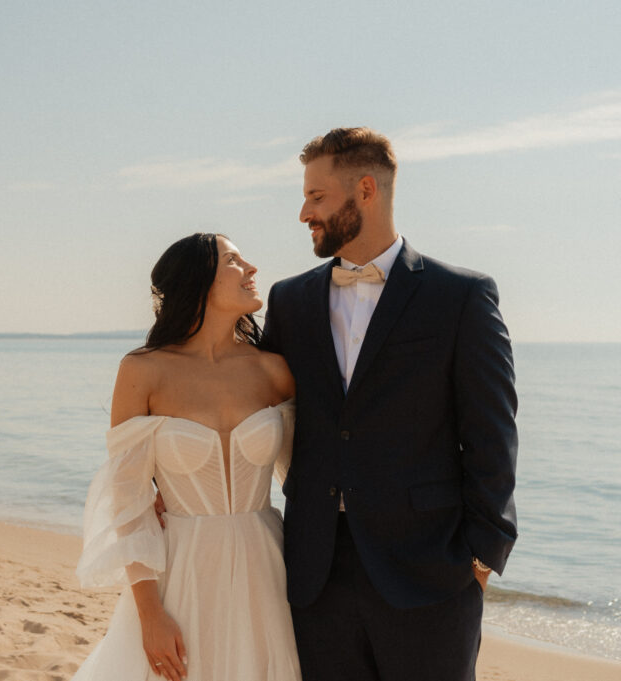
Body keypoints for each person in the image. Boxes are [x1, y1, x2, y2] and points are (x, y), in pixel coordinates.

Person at [260, 127, 518, 681]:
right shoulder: (289, 301)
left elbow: (492, 433)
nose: (304, 212)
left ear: (367, 191)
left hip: (429, 570)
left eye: (317, 196)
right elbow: (249, 405)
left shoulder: (461, 296)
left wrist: (482, 558)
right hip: (315, 571)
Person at [72, 233, 302, 681]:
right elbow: (129, 501)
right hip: (181, 570)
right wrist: (150, 614)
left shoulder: (274, 370)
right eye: (234, 261)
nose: (252, 269)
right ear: (198, 283)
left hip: (267, 568)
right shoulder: (143, 370)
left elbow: (310, 474)